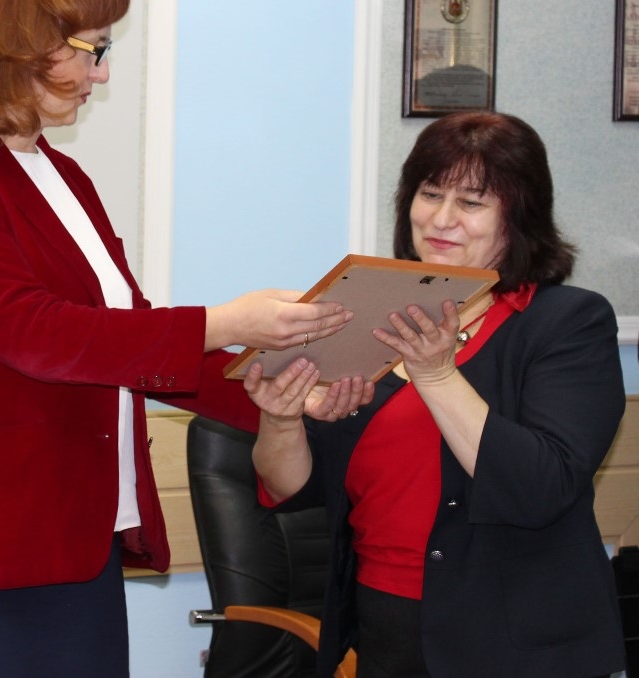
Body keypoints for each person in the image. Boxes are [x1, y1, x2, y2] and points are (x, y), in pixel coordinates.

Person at [0, 0, 360, 678]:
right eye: (92, 49)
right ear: (20, 40)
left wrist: (280, 389)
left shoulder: (63, 176)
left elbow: (125, 342)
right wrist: (228, 321)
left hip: (74, 543)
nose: (101, 72)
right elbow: (31, 333)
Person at [244, 111, 626, 678]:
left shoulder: (568, 322)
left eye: (472, 202)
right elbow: (292, 489)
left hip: (518, 642)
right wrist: (280, 421)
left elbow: (541, 489)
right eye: (430, 194)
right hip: (384, 624)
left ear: (519, 217)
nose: (443, 219)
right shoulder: (370, 315)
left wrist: (438, 375)